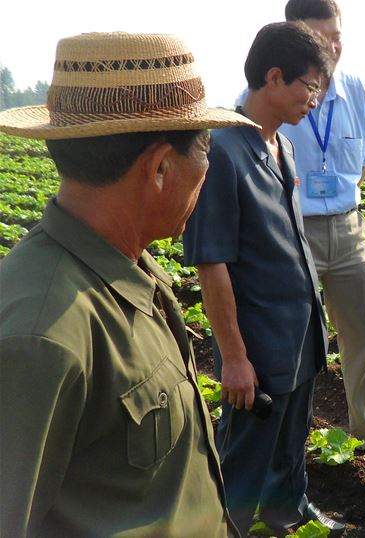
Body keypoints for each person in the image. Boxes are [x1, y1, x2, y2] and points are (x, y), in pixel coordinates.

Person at [0, 32, 254, 537]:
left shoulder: (130, 266)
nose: (209, 168)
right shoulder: (40, 336)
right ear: (160, 167)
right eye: (205, 147)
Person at [182, 22, 344, 536]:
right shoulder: (223, 152)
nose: (314, 99)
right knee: (245, 457)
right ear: (273, 77)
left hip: (299, 334)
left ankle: (287, 512)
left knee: (291, 442)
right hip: (258, 344)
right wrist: (233, 357)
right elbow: (212, 263)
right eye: (309, 86)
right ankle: (228, 527)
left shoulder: (282, 148)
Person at [280, 0, 365, 448]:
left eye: (338, 34)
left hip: (347, 229)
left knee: (363, 333)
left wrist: (337, 201)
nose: (333, 44)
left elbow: (363, 164)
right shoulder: (275, 92)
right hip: (291, 230)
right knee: (293, 338)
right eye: (320, 35)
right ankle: (289, 437)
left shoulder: (358, 91)